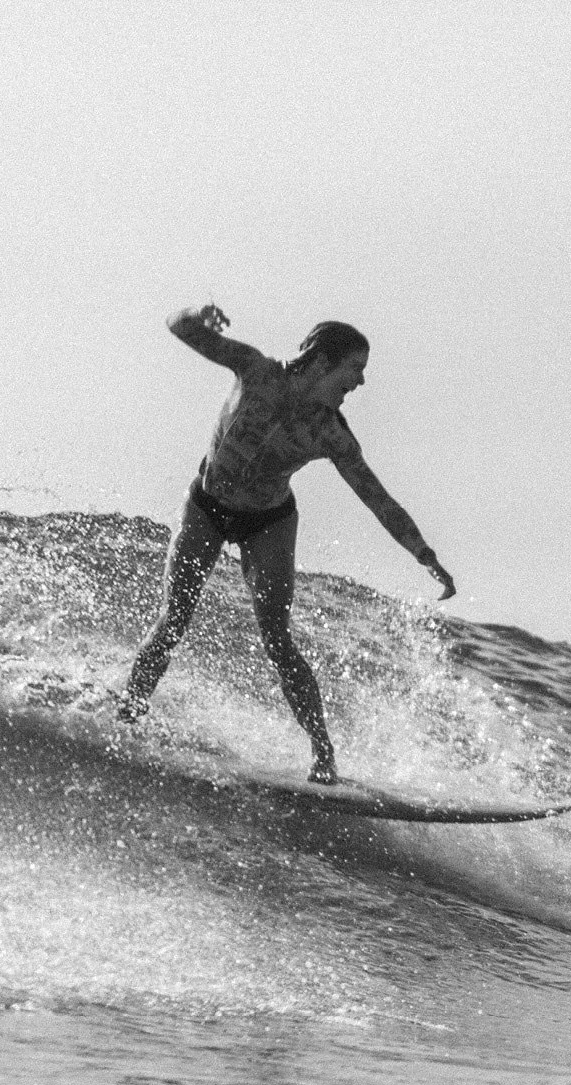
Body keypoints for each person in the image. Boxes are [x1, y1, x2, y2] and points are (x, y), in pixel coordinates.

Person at [118, 304, 455, 784]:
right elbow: (178, 327)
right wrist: (198, 312)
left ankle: (323, 755)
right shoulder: (255, 371)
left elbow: (377, 498)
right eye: (354, 370)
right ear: (323, 360)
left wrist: (426, 555)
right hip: (208, 506)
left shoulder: (330, 432)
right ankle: (126, 719)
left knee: (277, 640)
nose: (359, 383)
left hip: (268, 521)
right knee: (174, 619)